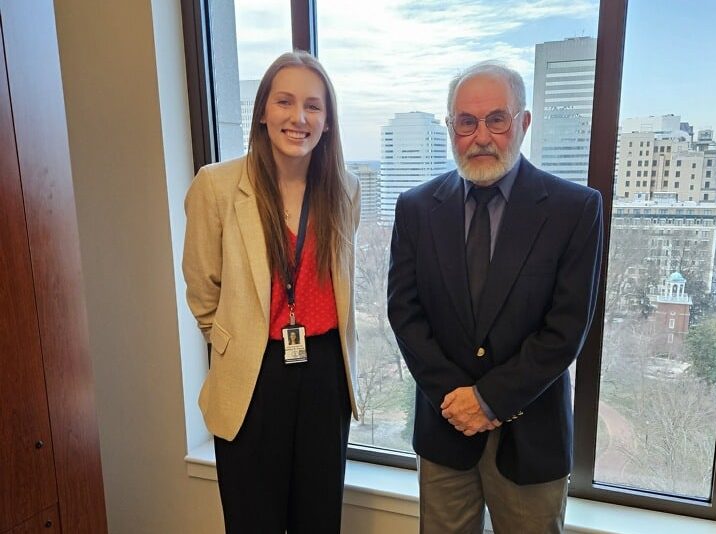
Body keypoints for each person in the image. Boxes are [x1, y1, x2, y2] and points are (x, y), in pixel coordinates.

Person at [387, 61, 603, 533]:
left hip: (532, 441)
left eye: (496, 119)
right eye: (466, 122)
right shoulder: (416, 209)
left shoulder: (575, 209)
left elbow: (566, 330)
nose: (480, 136)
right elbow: (405, 313)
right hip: (445, 433)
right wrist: (456, 399)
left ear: (523, 123)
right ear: (450, 128)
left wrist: (487, 400)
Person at [183, 51, 360, 534]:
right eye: (285, 101)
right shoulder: (216, 186)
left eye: (313, 106)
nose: (298, 117)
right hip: (252, 375)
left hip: (324, 374)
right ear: (263, 111)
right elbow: (202, 290)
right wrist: (236, 343)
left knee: (319, 520)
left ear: (328, 120)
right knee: (252, 521)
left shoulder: (344, 188)